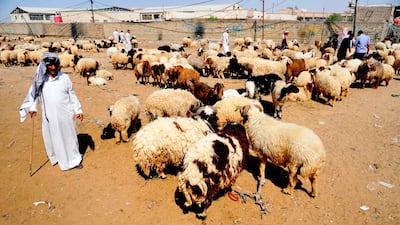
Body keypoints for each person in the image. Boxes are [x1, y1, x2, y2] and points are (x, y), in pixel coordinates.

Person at [19, 52, 84, 171]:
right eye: (50, 65)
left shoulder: (65, 78)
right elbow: (34, 94)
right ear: (45, 66)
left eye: (55, 65)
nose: (53, 68)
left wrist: (78, 110)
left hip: (66, 114)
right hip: (50, 116)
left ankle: (74, 160)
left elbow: (72, 95)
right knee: (54, 137)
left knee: (70, 137)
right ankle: (58, 158)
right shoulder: (41, 80)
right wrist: (33, 108)